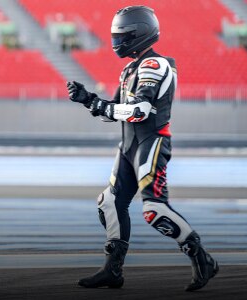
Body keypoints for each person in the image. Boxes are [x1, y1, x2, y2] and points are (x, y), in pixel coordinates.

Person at [65, 6, 218, 291]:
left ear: (139, 34)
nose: (116, 42)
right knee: (109, 203)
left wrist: (97, 104)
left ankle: (202, 258)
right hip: (129, 145)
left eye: (122, 36)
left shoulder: (155, 65)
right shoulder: (130, 67)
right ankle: (113, 270)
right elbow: (112, 111)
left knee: (154, 209)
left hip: (152, 142)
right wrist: (88, 99)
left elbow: (139, 111)